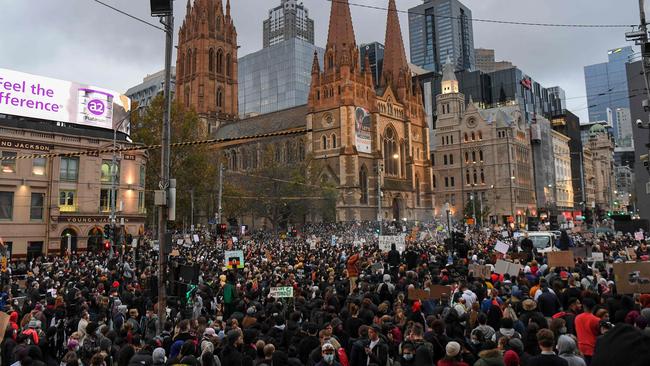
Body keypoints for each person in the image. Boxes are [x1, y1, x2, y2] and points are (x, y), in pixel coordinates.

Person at [574, 298, 599, 364]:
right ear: (594, 307)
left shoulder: (577, 318)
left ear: (584, 306)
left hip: (581, 347)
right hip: (592, 348)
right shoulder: (596, 320)